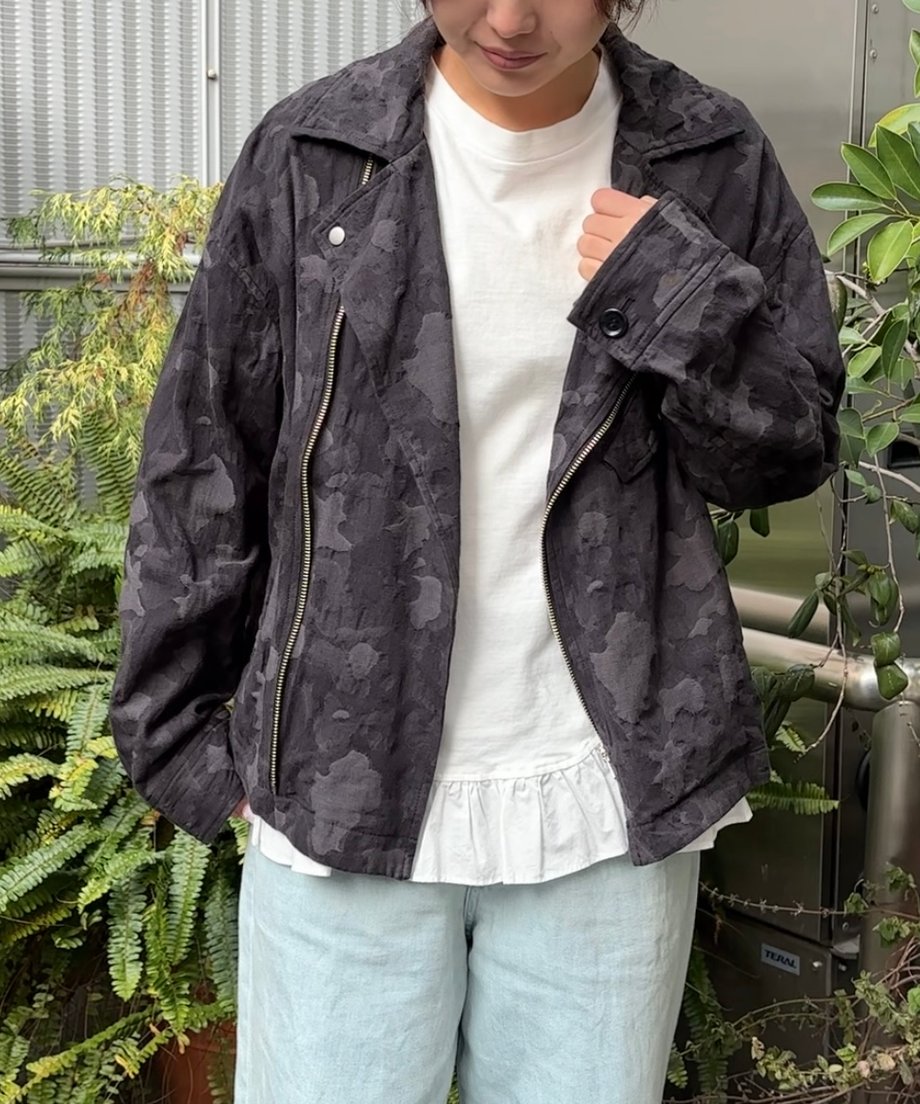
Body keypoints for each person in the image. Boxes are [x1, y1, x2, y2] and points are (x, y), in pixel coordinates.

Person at [109, 1, 845, 1101]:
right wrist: (179, 739)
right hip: (341, 785)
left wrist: (679, 300)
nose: (508, 18)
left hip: (603, 802)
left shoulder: (707, 154)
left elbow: (786, 453)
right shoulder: (316, 151)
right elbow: (205, 455)